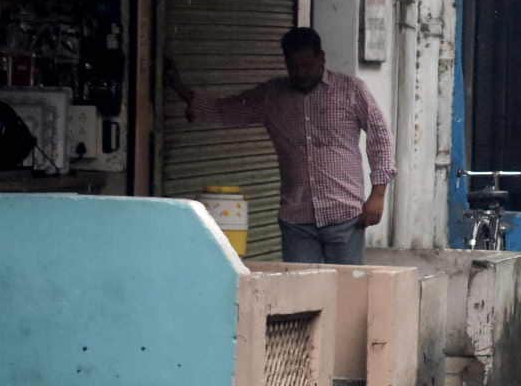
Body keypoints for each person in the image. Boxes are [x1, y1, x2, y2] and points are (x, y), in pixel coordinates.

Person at [166, 26, 391, 265]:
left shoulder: (351, 90)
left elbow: (381, 136)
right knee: (301, 294)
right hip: (297, 221)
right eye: (294, 67)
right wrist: (179, 88)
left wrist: (378, 195)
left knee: (348, 292)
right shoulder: (272, 96)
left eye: (307, 65)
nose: (301, 73)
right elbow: (226, 110)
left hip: (345, 217)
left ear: (321, 58)